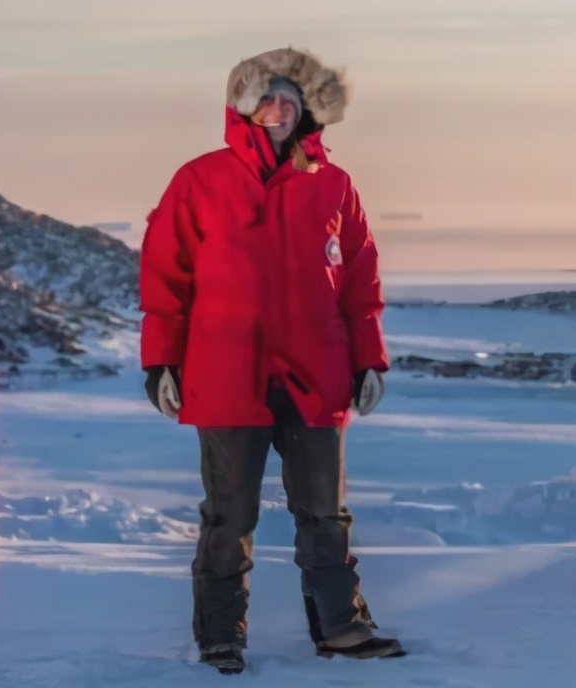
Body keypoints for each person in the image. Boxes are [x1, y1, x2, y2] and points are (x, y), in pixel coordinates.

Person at [138, 47, 403, 674]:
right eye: (265, 97)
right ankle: (222, 637)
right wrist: (162, 363)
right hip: (226, 374)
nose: (278, 109)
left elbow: (360, 282)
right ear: (240, 106)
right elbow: (165, 278)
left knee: (325, 514)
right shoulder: (198, 180)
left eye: (290, 98)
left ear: (308, 108)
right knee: (230, 515)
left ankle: (342, 628)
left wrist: (370, 361)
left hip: (316, 374)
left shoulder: (335, 185)